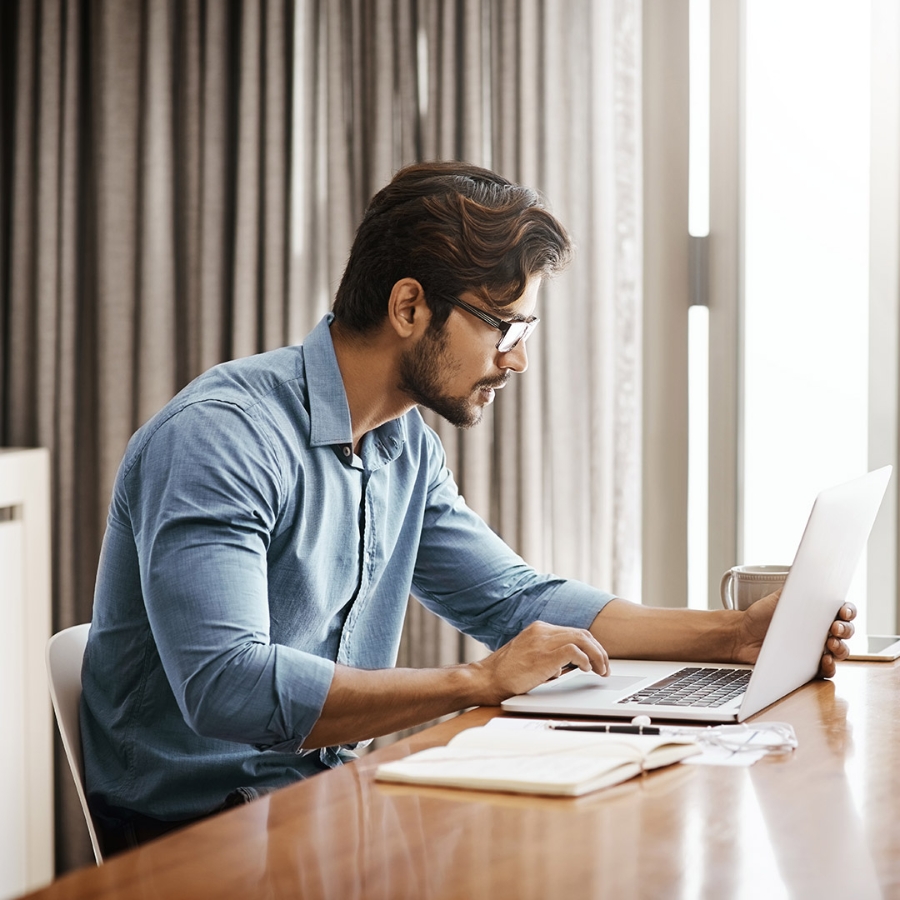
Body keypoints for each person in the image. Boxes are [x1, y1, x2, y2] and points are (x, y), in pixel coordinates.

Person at [81, 161, 855, 853]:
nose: (516, 358)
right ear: (410, 306)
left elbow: (515, 600)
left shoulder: (402, 446)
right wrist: (477, 682)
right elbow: (229, 686)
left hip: (335, 802)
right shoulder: (222, 437)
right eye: (504, 325)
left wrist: (734, 636)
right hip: (199, 838)